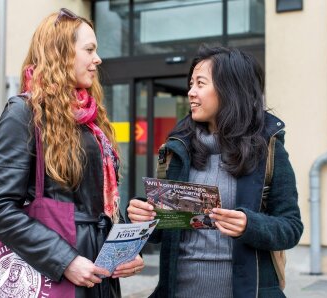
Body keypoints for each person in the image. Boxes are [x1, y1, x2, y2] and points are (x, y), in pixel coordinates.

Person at [0, 8, 143, 298]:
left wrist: (122, 252)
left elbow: (98, 205)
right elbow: (0, 208)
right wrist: (64, 260)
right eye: (90, 49)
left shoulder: (90, 118)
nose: (98, 59)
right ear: (61, 52)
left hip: (98, 273)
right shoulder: (23, 112)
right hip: (56, 270)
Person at [127, 46, 303, 298]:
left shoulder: (268, 148)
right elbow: (164, 228)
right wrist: (143, 215)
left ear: (230, 89)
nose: (191, 93)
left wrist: (250, 225)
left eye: (200, 84)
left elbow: (291, 227)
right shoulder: (177, 148)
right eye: (190, 84)